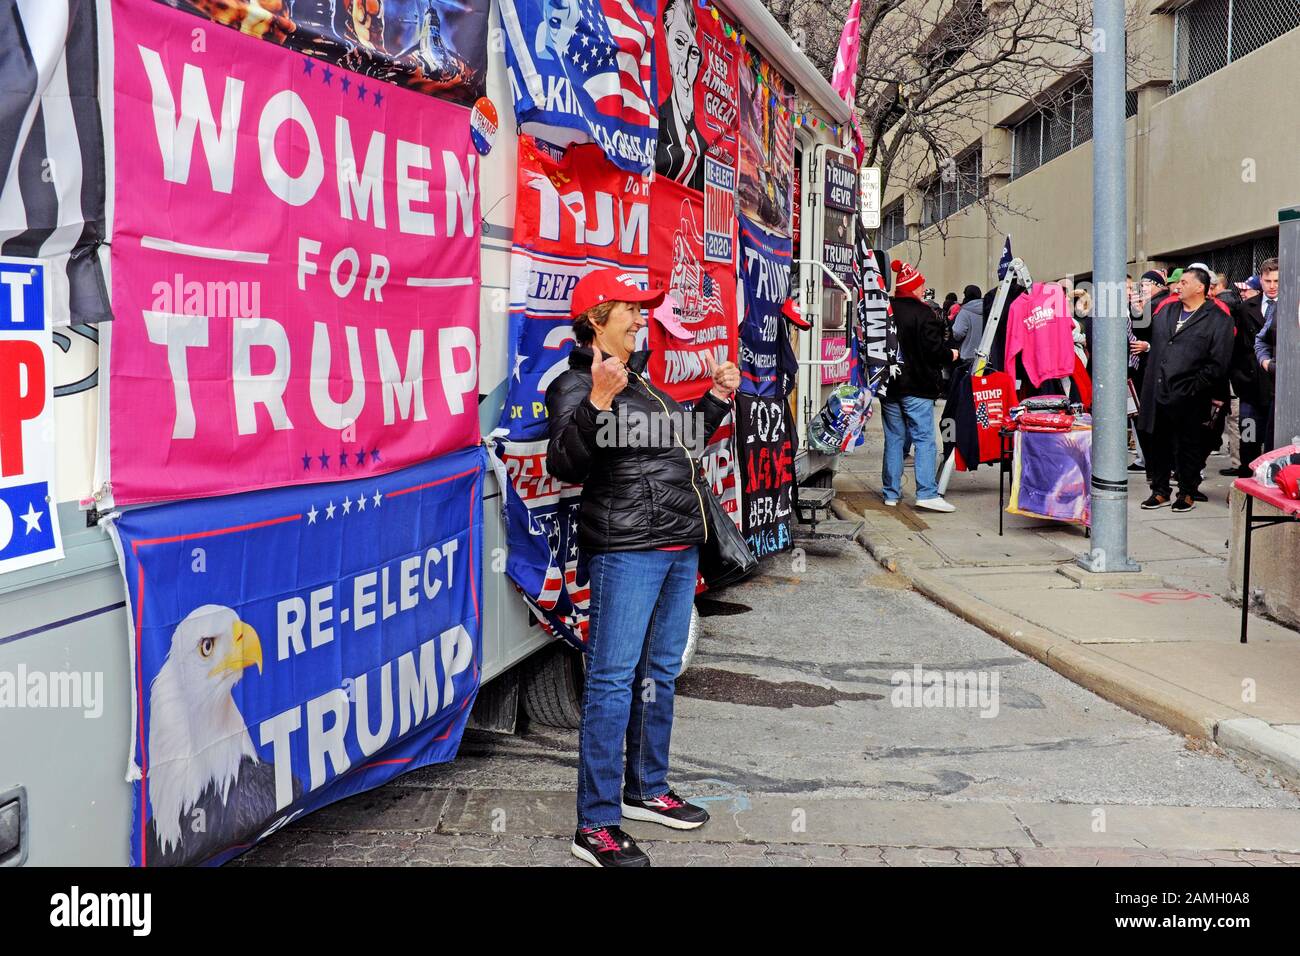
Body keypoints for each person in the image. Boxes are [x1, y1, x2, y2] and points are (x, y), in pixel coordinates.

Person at [546, 268, 741, 867]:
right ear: (596, 321)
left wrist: (717, 398)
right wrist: (598, 401)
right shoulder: (577, 385)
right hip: (627, 552)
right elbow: (566, 465)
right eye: (630, 309)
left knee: (659, 671)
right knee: (610, 679)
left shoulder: (642, 385)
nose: (641, 318)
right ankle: (596, 824)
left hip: (677, 546)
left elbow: (685, 440)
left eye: (641, 308)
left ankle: (646, 788)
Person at [1137, 266, 1234, 513]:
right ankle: (1159, 491)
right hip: (1158, 391)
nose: (1178, 286)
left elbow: (1218, 361)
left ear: (1200, 288)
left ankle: (1187, 492)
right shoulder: (1167, 310)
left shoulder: (1218, 318)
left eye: (1184, 282)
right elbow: (1150, 337)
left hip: (1190, 395)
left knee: (1187, 446)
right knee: (1157, 444)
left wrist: (1193, 387)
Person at [881, 260, 955, 512]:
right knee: (924, 439)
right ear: (912, 288)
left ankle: (891, 494)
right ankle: (926, 492)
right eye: (920, 286)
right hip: (918, 386)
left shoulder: (885, 310)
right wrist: (951, 356)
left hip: (889, 386)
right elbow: (934, 350)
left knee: (893, 439)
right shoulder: (924, 314)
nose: (923, 289)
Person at [1252, 258, 1282, 453]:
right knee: (1251, 438)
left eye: (1277, 281)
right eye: (1268, 280)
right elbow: (1260, 339)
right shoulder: (1247, 307)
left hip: (1282, 388)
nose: (1272, 286)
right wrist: (1265, 362)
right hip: (1257, 387)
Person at [951, 284, 985, 368]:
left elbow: (958, 333)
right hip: (986, 355)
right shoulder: (988, 309)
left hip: (968, 356)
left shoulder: (965, 312)